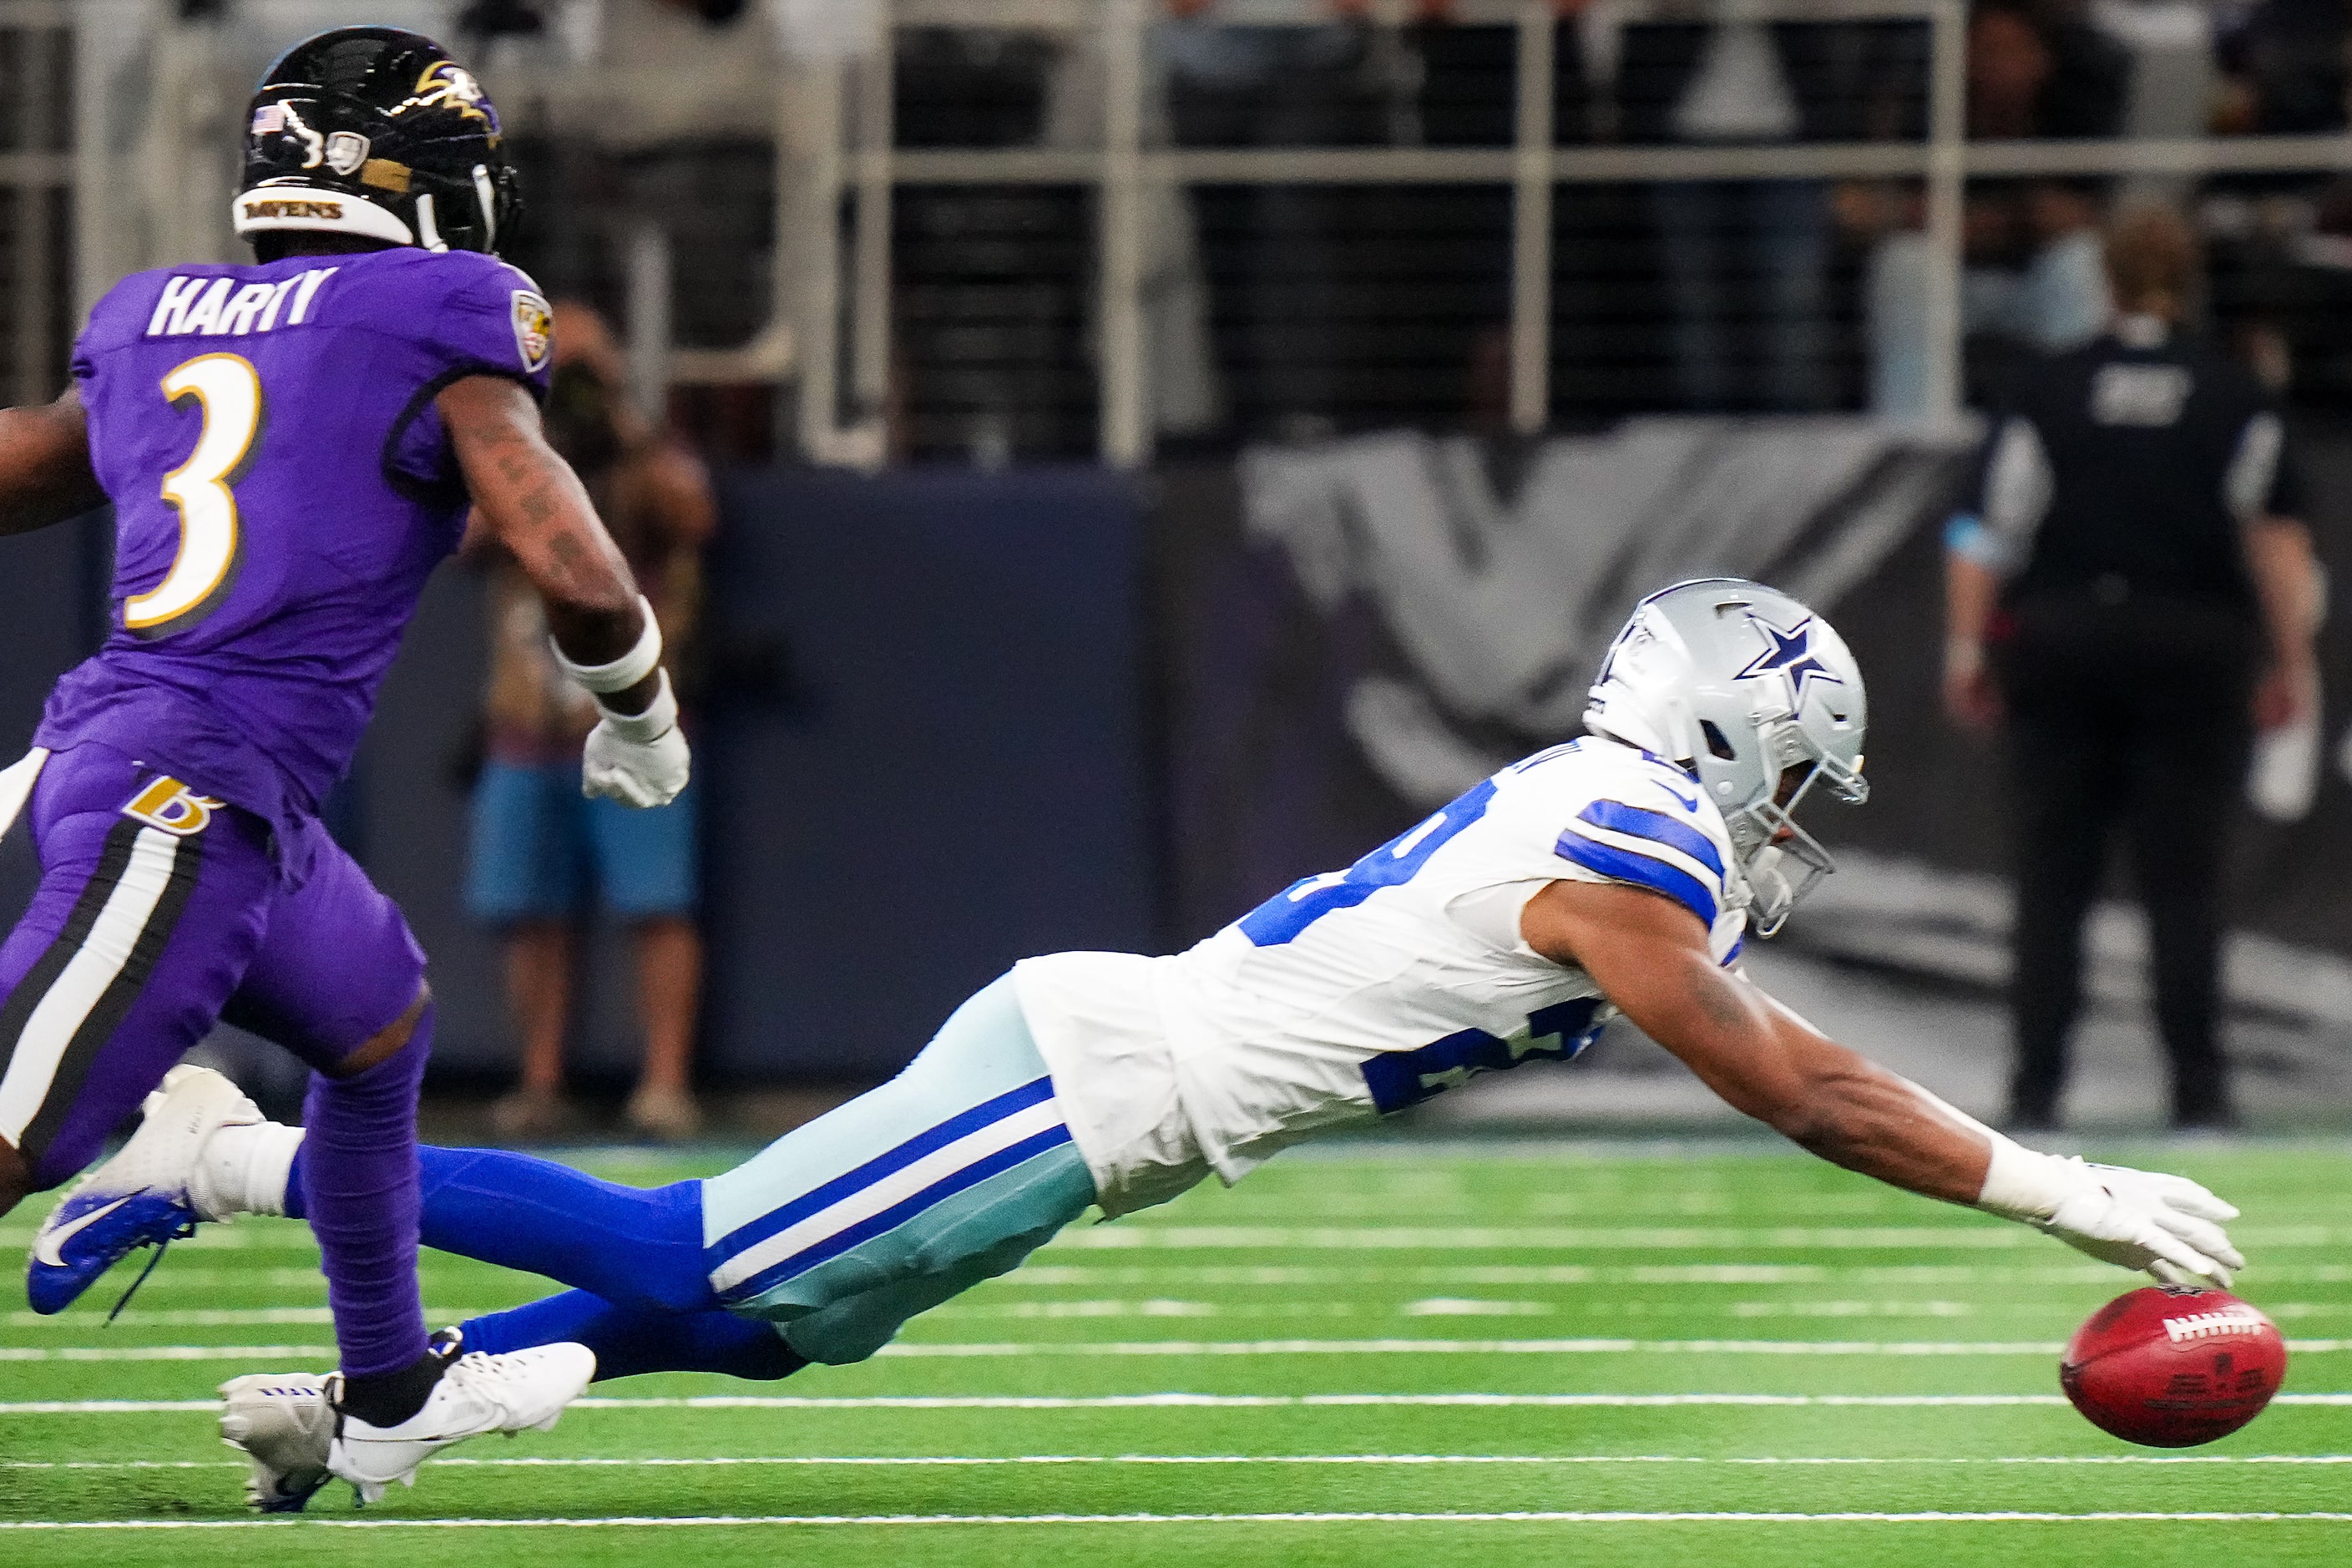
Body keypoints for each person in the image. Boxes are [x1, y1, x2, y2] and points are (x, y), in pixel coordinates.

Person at [47, 580, 2245, 1511]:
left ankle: (404, 1404)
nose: (1790, 825)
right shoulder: (1624, 848)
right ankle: (223, 1154)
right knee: (693, 1248)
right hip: (1095, 1073)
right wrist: (2039, 1181)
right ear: (1724, 740)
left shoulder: (1615, 811)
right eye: (1792, 776)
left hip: (1114, 1087)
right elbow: (1791, 1079)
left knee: (788, 1327)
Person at [2, 27, 694, 1499]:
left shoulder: (154, 316)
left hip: (222, 794)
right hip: (177, 792)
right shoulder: (442, 310)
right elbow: (572, 567)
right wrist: (640, 713)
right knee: (15, 1130)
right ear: (433, 182)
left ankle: (386, 1390)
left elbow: (25, 468)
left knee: (375, 1025)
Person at [1944, 205, 2322, 1130]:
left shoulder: (2048, 388)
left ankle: (2036, 1092)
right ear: (2187, 282)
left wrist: (1965, 643)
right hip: (2191, 645)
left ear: (2104, 282)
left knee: (2051, 880)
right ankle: (2199, 1092)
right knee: (2184, 884)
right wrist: (2293, 661)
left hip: (2063, 638)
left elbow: (1982, 531)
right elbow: (2274, 541)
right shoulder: (2232, 394)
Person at [467, 301, 714, 1143]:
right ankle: (540, 1081)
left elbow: (693, 516)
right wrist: (526, 437)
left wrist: (619, 423)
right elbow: (461, 540)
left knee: (658, 903)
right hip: (526, 718)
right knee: (529, 908)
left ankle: (665, 1083)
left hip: (634, 716)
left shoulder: (649, 453)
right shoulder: (506, 450)